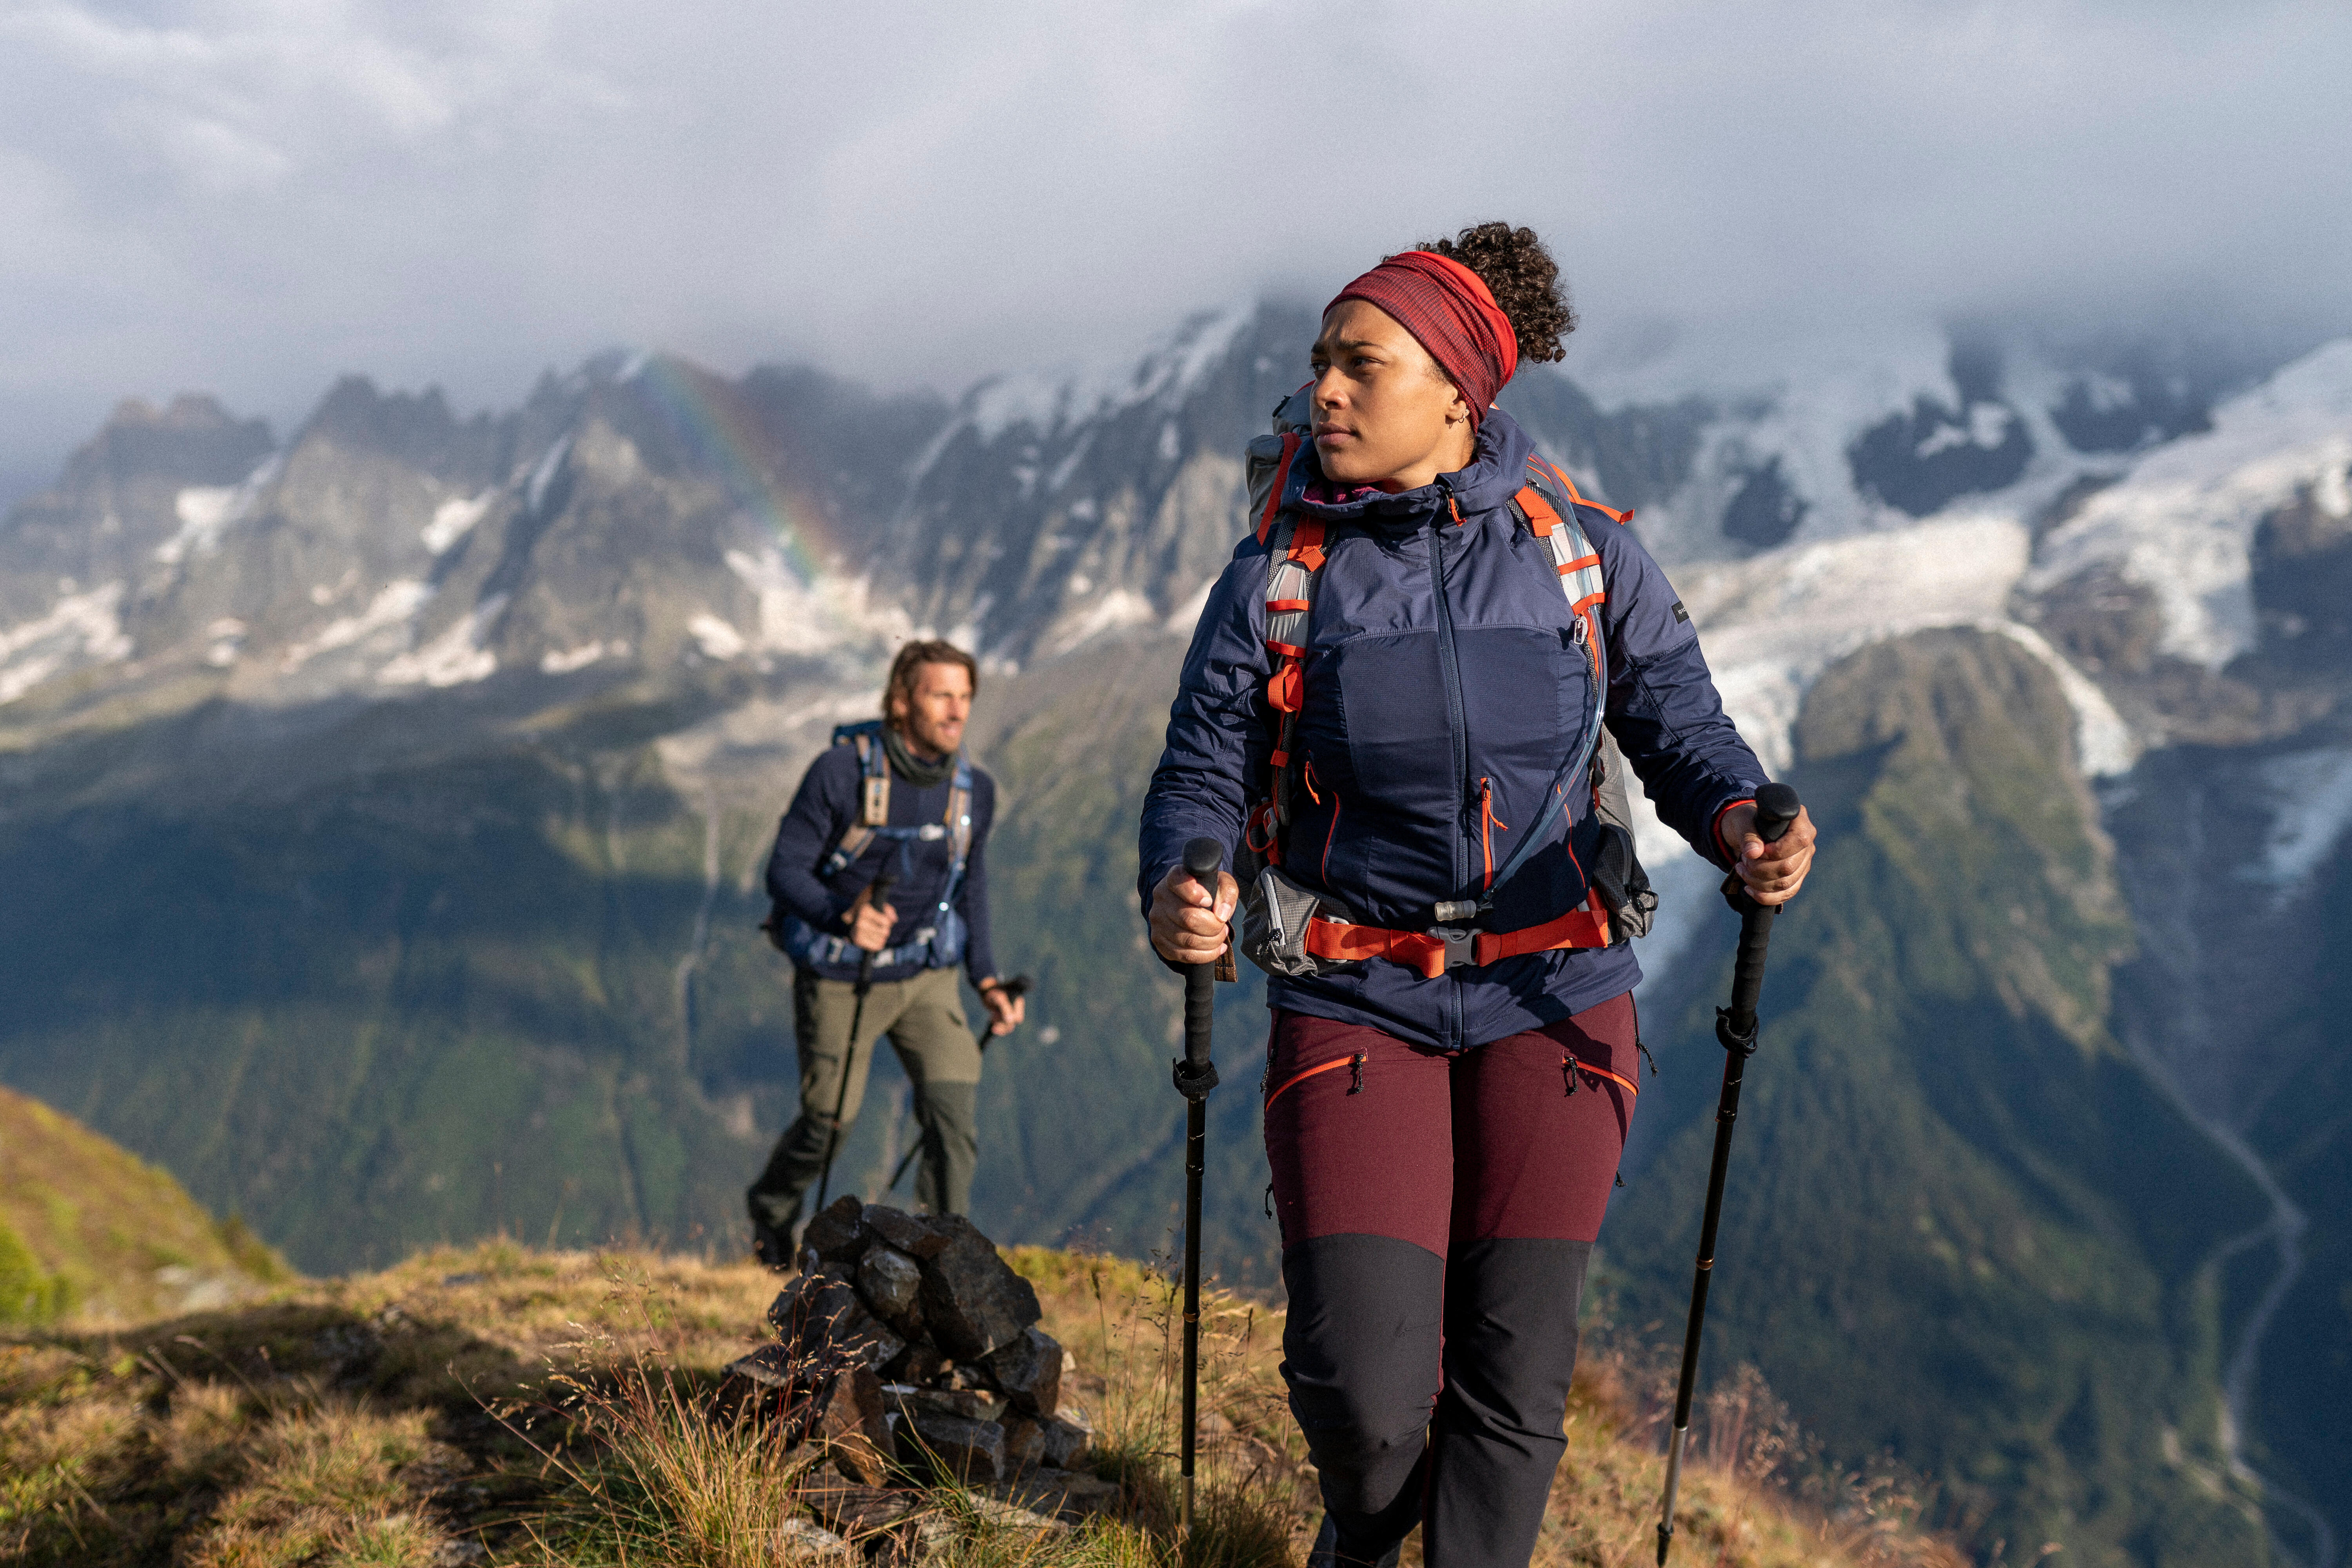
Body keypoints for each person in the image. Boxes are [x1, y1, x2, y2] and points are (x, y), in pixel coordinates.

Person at [1138, 223, 1816, 1567]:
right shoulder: (1277, 579)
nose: (1322, 391)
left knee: (1514, 1381)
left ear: (1459, 392)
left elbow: (1683, 730)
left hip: (1556, 998)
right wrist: (1184, 879)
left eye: (1360, 366)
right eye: (1319, 365)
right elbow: (1200, 771)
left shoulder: (1586, 554)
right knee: (1365, 1398)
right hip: (1354, 999)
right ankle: (1363, 1538)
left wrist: (1745, 824)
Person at [748, 639, 1024, 1261]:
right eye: (940, 695)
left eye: (965, 697)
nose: (957, 711)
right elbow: (783, 872)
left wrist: (987, 981)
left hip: (927, 975)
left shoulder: (973, 791)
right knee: (828, 1123)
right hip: (840, 971)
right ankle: (771, 1213)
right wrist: (842, 916)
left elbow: (971, 886)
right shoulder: (840, 773)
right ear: (901, 703)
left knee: (952, 1117)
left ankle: (947, 1264)